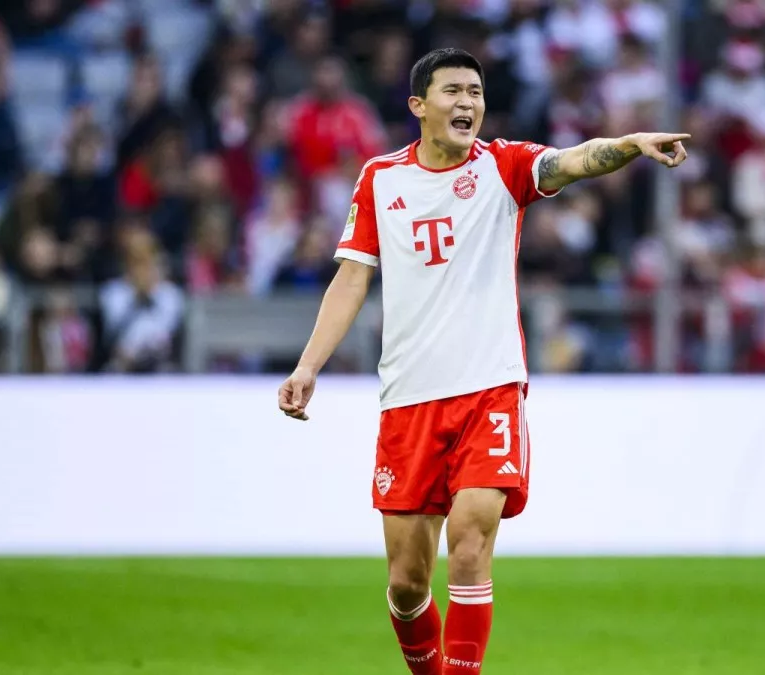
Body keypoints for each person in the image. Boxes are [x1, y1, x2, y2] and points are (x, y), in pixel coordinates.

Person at [276, 48, 688, 675]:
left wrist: (628, 145)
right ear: (419, 105)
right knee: (407, 582)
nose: (467, 102)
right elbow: (352, 278)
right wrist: (308, 366)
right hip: (409, 397)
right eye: (453, 91)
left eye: (475, 91)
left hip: (489, 388)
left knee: (470, 546)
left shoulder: (504, 166)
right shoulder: (380, 178)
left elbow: (573, 160)